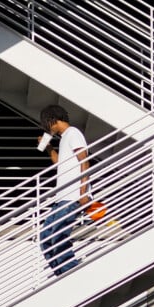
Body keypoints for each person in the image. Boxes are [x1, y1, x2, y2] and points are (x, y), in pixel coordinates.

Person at [38, 105, 90, 276]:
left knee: (58, 239)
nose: (46, 128)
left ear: (53, 120)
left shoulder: (73, 133)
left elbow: (84, 161)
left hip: (72, 196)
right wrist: (49, 149)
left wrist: (83, 193)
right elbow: (60, 164)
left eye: (46, 124)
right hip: (62, 198)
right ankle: (63, 276)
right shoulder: (65, 138)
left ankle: (72, 275)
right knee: (46, 239)